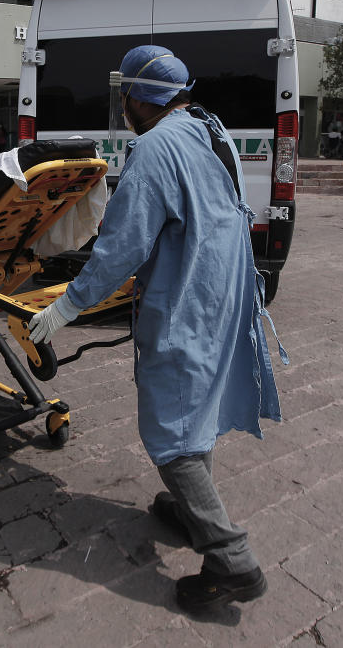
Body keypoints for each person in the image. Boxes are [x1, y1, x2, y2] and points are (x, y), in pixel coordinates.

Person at [28, 45, 281, 616]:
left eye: (125, 98)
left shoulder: (154, 148)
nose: (122, 107)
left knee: (170, 427)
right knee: (198, 406)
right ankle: (186, 507)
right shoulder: (209, 128)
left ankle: (230, 558)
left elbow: (123, 246)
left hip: (188, 300)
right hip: (225, 292)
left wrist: (67, 306)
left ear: (138, 99)